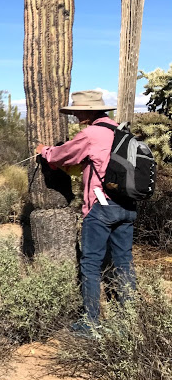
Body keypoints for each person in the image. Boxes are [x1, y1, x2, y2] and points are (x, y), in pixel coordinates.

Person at [35, 90, 137, 339]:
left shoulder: (91, 133)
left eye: (77, 111)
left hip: (101, 208)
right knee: (123, 262)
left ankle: (90, 323)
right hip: (127, 205)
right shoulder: (122, 132)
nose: (75, 115)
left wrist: (45, 151)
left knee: (90, 264)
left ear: (88, 112)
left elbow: (62, 155)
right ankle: (130, 320)